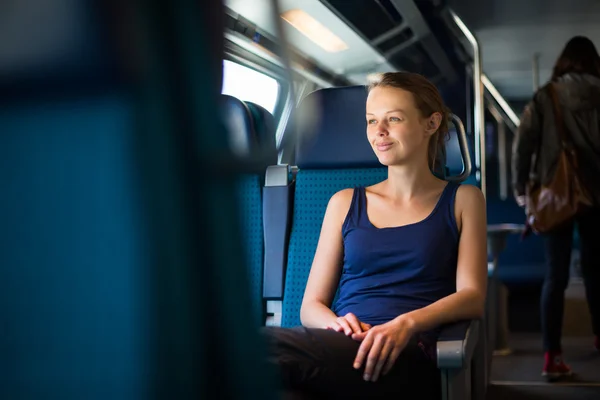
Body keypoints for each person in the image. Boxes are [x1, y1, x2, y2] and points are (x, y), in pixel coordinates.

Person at [263, 72, 487, 398]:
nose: (378, 132)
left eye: (393, 119)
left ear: (431, 123)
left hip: (408, 349)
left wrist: (405, 324)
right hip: (343, 341)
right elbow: (311, 305)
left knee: (252, 352)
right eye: (371, 121)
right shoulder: (344, 202)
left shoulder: (463, 199)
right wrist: (337, 326)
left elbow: (472, 297)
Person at [512, 36, 600, 381]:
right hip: (598, 195)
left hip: (556, 195)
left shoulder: (545, 98)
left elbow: (523, 148)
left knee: (555, 276)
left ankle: (552, 356)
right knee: (597, 273)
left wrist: (523, 192)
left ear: (564, 62)